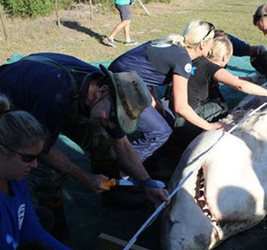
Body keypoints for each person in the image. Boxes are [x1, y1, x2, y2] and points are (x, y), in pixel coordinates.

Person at [0, 53, 169, 239]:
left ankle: (111, 190)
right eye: (114, 118)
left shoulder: (107, 93)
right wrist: (84, 177)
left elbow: (121, 145)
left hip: (57, 97)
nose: (113, 124)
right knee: (45, 170)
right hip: (13, 101)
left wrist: (147, 183)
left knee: (104, 142)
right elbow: (42, 151)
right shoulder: (53, 95)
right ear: (101, 91)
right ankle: (54, 219)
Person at [109, 20, 227, 162]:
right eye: (211, 40)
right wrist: (209, 126)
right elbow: (181, 107)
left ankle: (149, 160)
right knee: (160, 132)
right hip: (123, 85)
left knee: (166, 118)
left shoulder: (170, 44)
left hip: (119, 78)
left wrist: (156, 101)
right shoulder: (183, 59)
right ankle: (122, 171)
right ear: (203, 44)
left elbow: (146, 71)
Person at [0, 94, 72, 250]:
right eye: (28, 158)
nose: (35, 165)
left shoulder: (17, 180)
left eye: (37, 157)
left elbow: (32, 231)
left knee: (45, 217)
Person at [174, 30, 267, 142]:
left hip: (172, 110)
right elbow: (240, 86)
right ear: (224, 57)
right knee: (222, 107)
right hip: (185, 120)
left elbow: (231, 79)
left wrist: (252, 79)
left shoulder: (197, 58)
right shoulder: (211, 68)